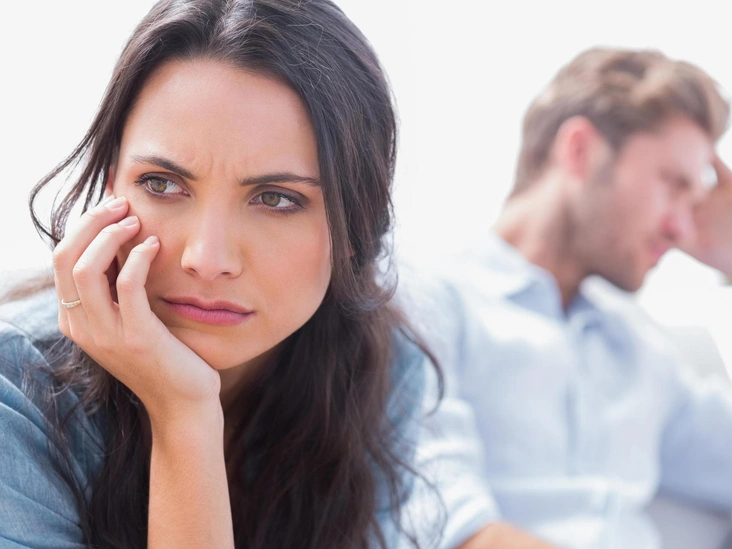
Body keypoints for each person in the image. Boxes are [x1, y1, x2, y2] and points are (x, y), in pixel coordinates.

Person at [0, 1, 438, 547]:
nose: (206, 259)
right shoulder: (14, 393)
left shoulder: (378, 369)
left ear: (357, 222)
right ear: (111, 186)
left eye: (276, 198)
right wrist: (184, 416)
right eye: (162, 184)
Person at [403, 47, 732, 549]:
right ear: (581, 150)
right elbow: (450, 531)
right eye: (673, 185)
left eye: (694, 204)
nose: (682, 229)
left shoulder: (640, 349)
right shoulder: (429, 302)